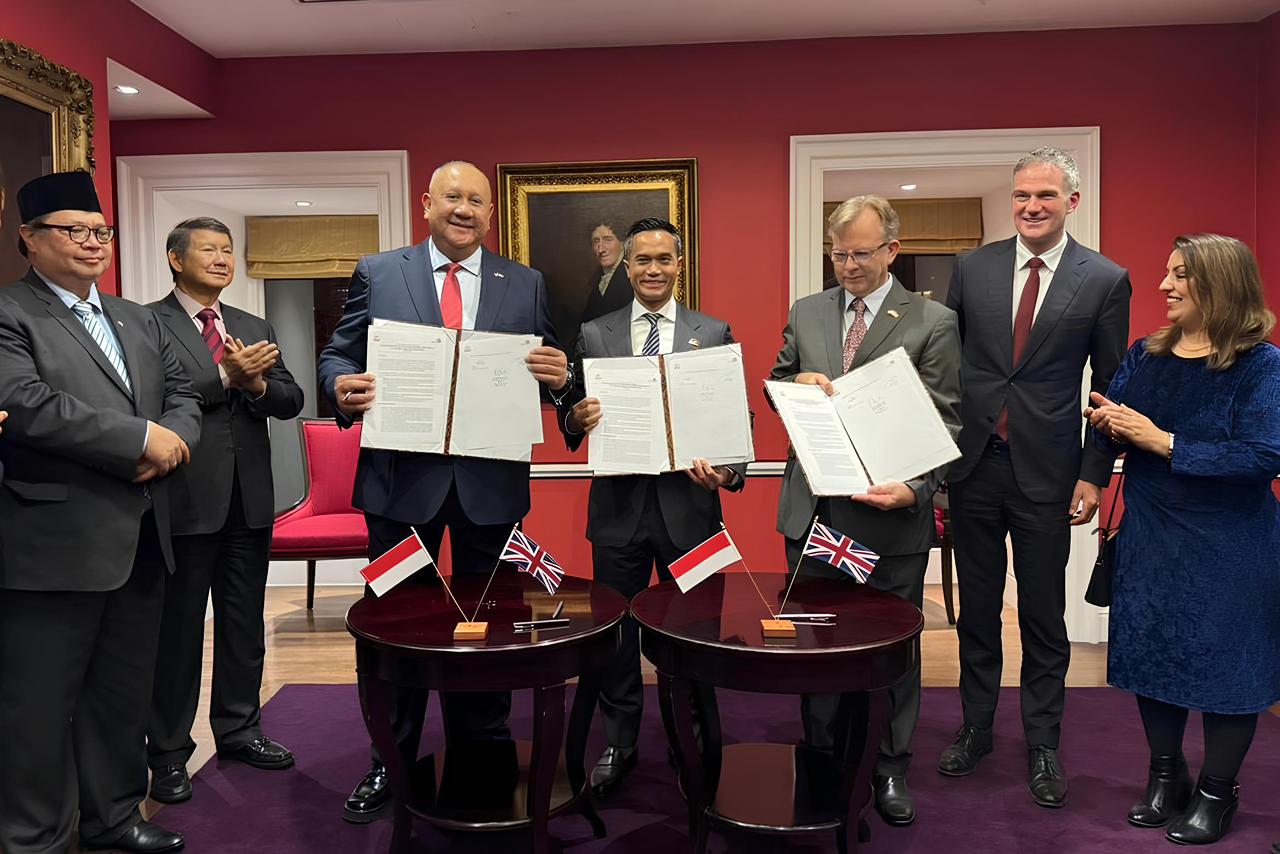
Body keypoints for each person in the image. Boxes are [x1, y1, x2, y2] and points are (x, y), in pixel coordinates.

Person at [317, 160, 576, 823]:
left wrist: (559, 374)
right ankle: (389, 756)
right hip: (400, 485)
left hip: (491, 487)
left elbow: (550, 367)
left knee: (489, 624)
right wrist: (340, 386)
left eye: (477, 201)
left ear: (490, 214)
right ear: (427, 203)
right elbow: (338, 354)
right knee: (395, 627)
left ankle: (482, 745)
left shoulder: (525, 281)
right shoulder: (380, 272)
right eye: (453, 197)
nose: (465, 209)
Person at [0, 172, 201, 854]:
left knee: (121, 693)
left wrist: (172, 444)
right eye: (74, 230)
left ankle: (113, 818)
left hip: (142, 535)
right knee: (38, 705)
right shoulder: (10, 312)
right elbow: (25, 403)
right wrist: (139, 439)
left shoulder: (136, 317)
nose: (92, 242)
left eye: (101, 231)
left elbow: (184, 393)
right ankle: (35, 838)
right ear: (30, 238)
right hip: (53, 544)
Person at [939, 147, 1131, 808]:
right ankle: (975, 728)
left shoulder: (1103, 279)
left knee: (1044, 615)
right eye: (1022, 195)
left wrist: (1094, 475)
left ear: (1071, 202)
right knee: (978, 611)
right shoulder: (972, 267)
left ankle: (1043, 743)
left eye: (1045, 195)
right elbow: (947, 366)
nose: (1031, 206)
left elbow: (1109, 387)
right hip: (972, 466)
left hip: (1050, 473)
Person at [769, 195, 961, 826]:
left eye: (860, 253)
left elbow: (946, 419)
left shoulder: (932, 321)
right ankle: (822, 757)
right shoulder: (807, 311)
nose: (848, 265)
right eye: (838, 254)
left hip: (889, 517)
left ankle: (889, 766)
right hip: (814, 515)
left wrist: (918, 487)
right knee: (816, 644)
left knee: (890, 653)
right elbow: (777, 383)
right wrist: (792, 385)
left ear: (892, 251)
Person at [1086, 234, 1280, 845]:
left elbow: (1264, 456)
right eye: (1167, 272)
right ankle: (1166, 777)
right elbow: (1117, 424)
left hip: (1230, 546)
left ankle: (1217, 793)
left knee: (1228, 670)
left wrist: (1165, 443)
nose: (1164, 286)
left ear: (1219, 284)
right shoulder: (1146, 354)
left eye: (1180, 275)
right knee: (1154, 658)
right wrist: (1106, 432)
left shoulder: (1261, 365)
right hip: (1151, 537)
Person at [565, 217, 747, 798]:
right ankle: (620, 741)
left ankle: (689, 736)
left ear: (679, 265)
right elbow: (572, 416)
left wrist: (727, 472)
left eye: (663, 259)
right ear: (626, 267)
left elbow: (733, 415)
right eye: (641, 259)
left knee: (693, 633)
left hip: (691, 513)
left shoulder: (712, 331)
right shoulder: (593, 334)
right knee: (616, 635)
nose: (652, 269)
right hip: (617, 513)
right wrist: (577, 418)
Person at [145, 217, 305, 804]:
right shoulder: (148, 323)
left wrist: (257, 386)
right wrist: (224, 377)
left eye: (228, 251)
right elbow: (159, 399)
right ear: (175, 258)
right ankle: (168, 753)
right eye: (209, 249)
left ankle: (239, 731)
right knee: (179, 632)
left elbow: (291, 398)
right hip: (186, 499)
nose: (221, 258)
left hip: (249, 500)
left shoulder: (252, 325)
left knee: (243, 625)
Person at [581, 220, 632, 324]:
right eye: (596, 241)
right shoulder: (596, 280)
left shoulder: (632, 276)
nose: (600, 249)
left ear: (622, 242)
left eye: (607, 240)